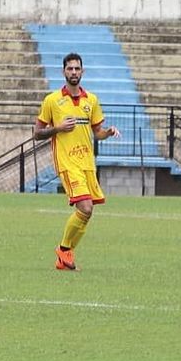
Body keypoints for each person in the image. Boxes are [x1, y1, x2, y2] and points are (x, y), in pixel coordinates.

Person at [34, 52, 120, 271]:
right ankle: (64, 251)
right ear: (63, 71)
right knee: (85, 207)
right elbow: (37, 133)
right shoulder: (52, 100)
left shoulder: (91, 100)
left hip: (87, 164)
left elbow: (97, 132)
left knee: (87, 212)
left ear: (82, 71)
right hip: (67, 163)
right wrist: (58, 129)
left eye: (77, 68)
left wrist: (107, 132)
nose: (73, 72)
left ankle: (65, 256)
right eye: (70, 68)